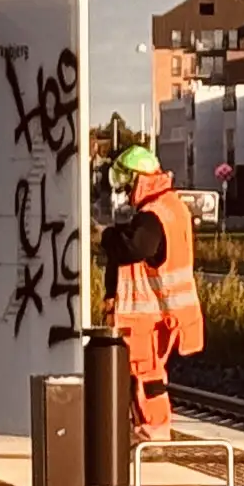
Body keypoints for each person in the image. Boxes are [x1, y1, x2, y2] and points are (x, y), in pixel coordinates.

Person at [96, 143, 201, 440]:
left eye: (126, 183)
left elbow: (135, 247)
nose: (125, 191)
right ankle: (150, 428)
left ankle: (153, 432)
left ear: (137, 179)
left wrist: (108, 236)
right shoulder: (171, 207)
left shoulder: (153, 215)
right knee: (149, 373)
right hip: (166, 311)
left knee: (145, 374)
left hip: (149, 315)